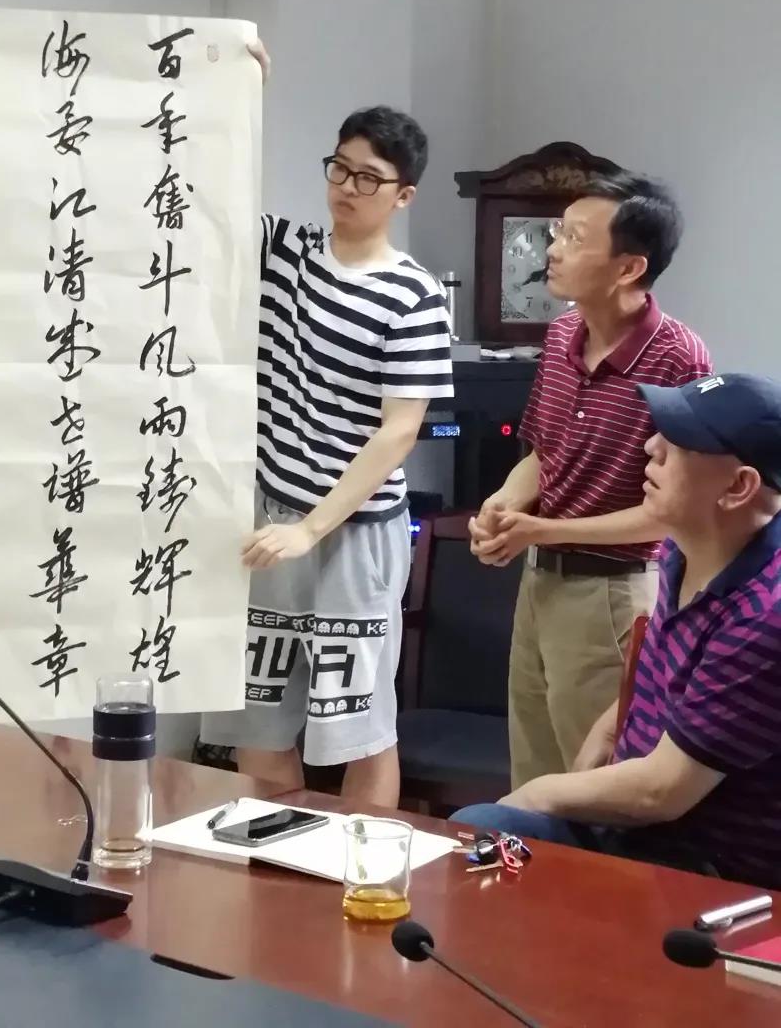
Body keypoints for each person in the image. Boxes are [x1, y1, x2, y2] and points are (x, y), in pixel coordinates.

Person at [201, 62, 453, 807]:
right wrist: (233, 86)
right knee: (258, 716)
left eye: (368, 177)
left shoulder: (414, 294)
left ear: (403, 195)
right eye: (339, 167)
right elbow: (207, 191)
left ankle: (359, 868)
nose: (346, 186)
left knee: (359, 727)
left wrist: (311, 528)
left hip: (354, 532)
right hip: (271, 518)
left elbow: (399, 432)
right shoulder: (284, 251)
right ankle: (272, 862)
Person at [452, 374, 781, 891]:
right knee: (473, 841)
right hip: (637, 834)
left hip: (708, 868)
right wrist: (608, 732)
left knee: (486, 833)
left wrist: (539, 795)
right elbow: (661, 668)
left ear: (739, 488)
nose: (652, 448)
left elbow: (661, 791)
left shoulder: (765, 613)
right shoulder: (685, 547)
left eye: (679, 444)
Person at [470, 173, 712, 788]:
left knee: (591, 786)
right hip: (539, 585)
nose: (552, 249)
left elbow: (671, 512)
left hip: (611, 594)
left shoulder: (678, 358)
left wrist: (539, 530)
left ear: (629, 268)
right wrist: (502, 505)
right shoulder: (560, 335)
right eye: (559, 232)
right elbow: (543, 453)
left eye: (575, 238)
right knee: (532, 780)